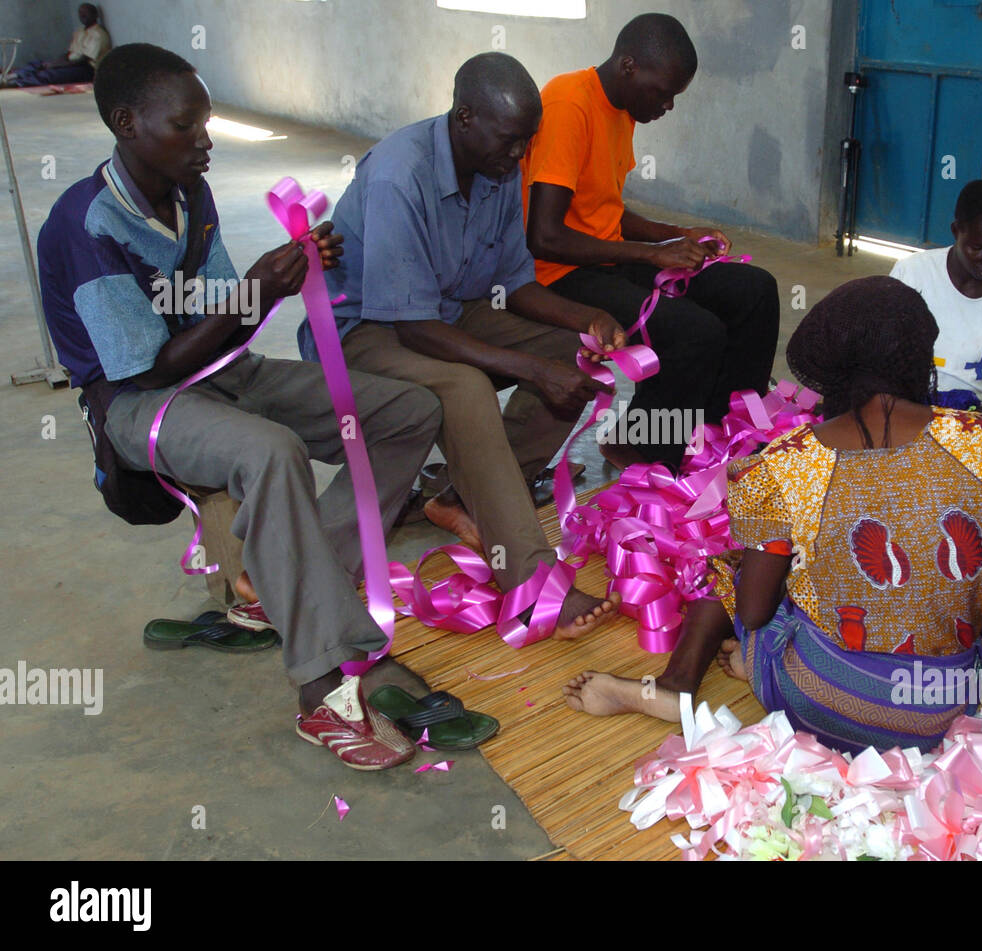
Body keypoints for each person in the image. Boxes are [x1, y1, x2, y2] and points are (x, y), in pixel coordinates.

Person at [38, 44, 443, 771]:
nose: (205, 142)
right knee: (269, 450)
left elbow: (225, 319)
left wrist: (287, 274)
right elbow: (153, 367)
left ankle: (288, 576)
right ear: (127, 123)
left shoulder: (190, 195)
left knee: (406, 411)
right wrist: (259, 290)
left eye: (207, 124)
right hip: (139, 405)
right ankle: (322, 686)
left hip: (221, 368)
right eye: (186, 126)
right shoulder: (85, 226)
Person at [564, 277, 982, 755]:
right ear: (920, 356)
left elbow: (752, 612)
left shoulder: (786, 464)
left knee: (729, 567)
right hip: (944, 712)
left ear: (833, 366)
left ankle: (701, 677)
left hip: (819, 700)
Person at [300, 52, 622, 640]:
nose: (521, 155)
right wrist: (527, 367)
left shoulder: (498, 166)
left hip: (446, 310)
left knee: (567, 352)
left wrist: (590, 317)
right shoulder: (403, 173)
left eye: (528, 141)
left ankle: (464, 496)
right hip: (364, 330)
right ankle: (528, 580)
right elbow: (414, 329)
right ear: (464, 116)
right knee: (464, 386)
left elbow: (516, 284)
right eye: (510, 140)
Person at [522, 12, 780, 471]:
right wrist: (650, 253)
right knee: (694, 331)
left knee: (755, 290)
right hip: (559, 274)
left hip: (604, 258)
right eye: (663, 93)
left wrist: (676, 235)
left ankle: (722, 432)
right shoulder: (568, 104)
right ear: (628, 67)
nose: (668, 106)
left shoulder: (621, 107)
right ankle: (643, 447)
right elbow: (544, 236)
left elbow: (604, 211)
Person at [890, 180, 982, 413]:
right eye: (977, 248)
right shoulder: (912, 273)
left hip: (979, 411)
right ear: (955, 231)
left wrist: (976, 422)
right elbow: (882, 357)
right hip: (909, 407)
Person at [6, 4, 110, 88]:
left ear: (95, 15)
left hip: (87, 69)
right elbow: (69, 53)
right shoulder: (79, 31)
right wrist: (54, 62)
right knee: (38, 64)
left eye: (86, 14)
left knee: (50, 74)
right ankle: (11, 77)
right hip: (71, 63)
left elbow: (83, 60)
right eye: (80, 13)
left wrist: (57, 65)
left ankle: (15, 83)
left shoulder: (99, 34)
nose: (82, 16)